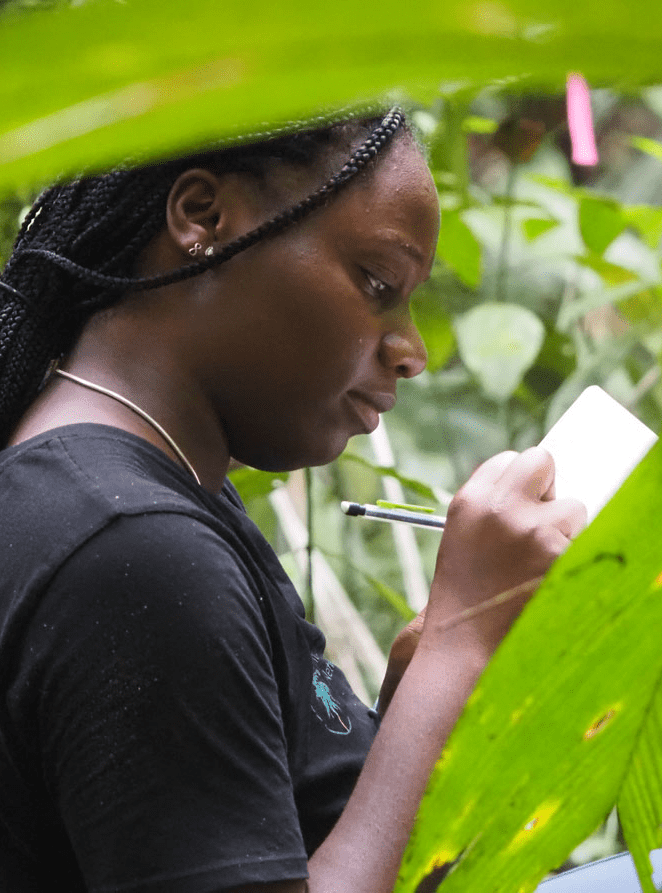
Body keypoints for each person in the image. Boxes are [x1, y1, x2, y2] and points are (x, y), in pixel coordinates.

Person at [0, 108, 588, 893]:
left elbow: (301, 837)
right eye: (378, 284)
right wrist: (461, 637)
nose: (409, 350)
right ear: (202, 216)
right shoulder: (134, 553)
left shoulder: (153, 491)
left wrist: (433, 689)